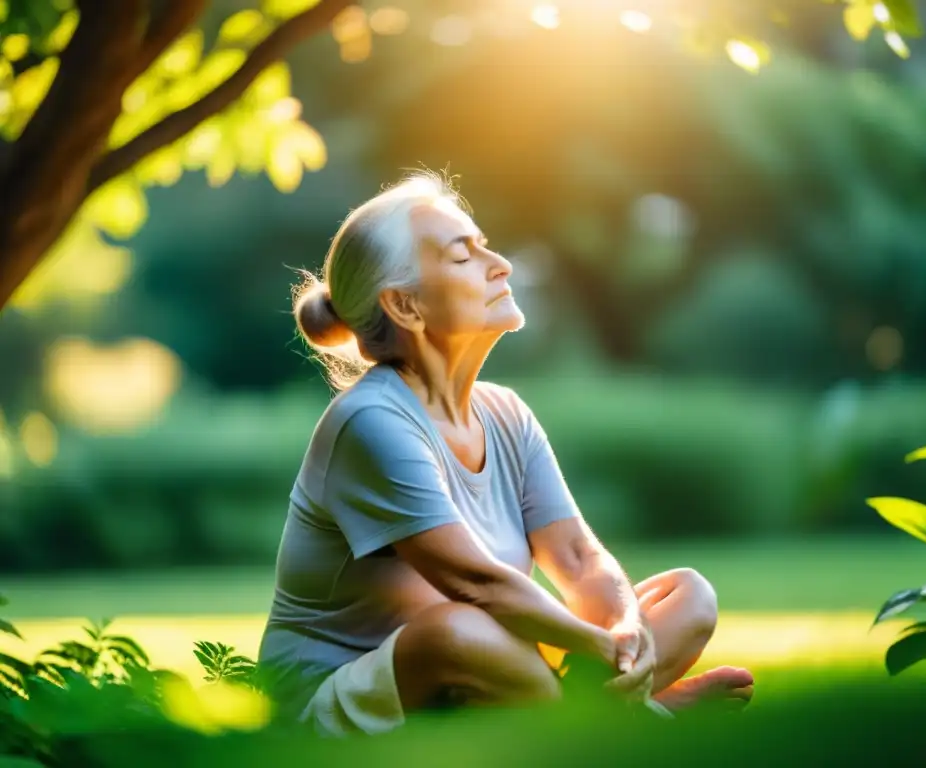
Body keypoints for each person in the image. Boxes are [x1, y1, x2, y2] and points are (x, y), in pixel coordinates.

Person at [257, 172, 754, 737]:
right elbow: (476, 585)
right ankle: (640, 720)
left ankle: (606, 712)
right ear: (406, 305)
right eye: (463, 256)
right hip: (336, 699)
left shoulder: (506, 412)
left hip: (482, 673)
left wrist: (623, 626)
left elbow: (576, 557)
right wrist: (599, 643)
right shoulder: (371, 421)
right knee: (455, 630)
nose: (501, 265)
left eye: (485, 244)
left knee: (687, 595)